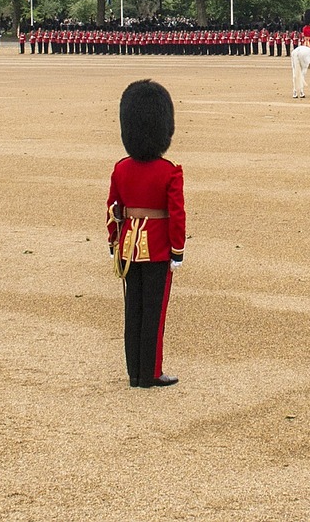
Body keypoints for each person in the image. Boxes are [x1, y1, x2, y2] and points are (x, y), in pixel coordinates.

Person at [107, 80, 186, 389]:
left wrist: (113, 240)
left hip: (127, 245)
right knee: (154, 311)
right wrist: (177, 251)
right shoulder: (169, 171)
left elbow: (113, 207)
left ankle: (134, 372)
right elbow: (176, 216)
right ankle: (151, 372)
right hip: (157, 247)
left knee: (134, 309)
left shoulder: (121, 168)